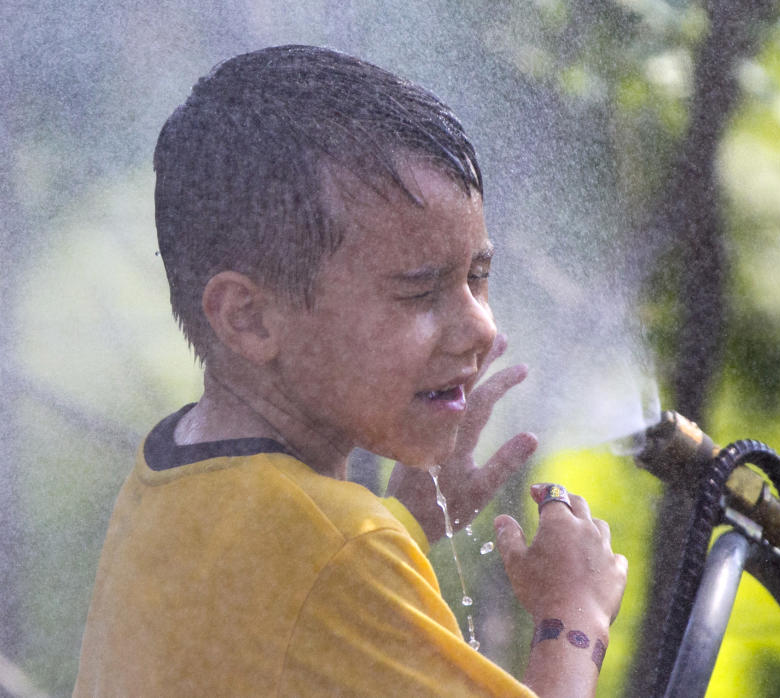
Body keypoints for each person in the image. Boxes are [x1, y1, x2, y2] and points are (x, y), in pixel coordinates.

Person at [73, 45, 628, 697]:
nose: (481, 327)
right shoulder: (341, 547)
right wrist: (574, 617)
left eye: (478, 276)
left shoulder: (173, 465)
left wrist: (408, 520)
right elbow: (322, 564)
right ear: (249, 319)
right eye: (419, 292)